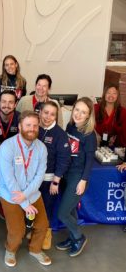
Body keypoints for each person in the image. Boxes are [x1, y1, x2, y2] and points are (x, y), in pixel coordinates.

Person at [0, 111, 51, 267]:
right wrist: (24, 203)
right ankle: (11, 250)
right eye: (28, 125)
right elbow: (9, 181)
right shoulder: (7, 147)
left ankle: (35, 249)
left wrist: (26, 197)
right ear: (20, 126)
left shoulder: (42, 148)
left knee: (42, 225)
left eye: (35, 125)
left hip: (31, 192)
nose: (32, 129)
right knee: (18, 230)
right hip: (10, 194)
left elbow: (40, 176)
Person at [56, 97, 97, 257]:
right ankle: (72, 236)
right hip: (67, 174)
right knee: (71, 209)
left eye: (84, 112)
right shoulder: (70, 126)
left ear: (88, 116)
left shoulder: (89, 135)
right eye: (77, 110)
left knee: (62, 213)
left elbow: (89, 161)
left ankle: (79, 237)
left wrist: (83, 181)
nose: (79, 114)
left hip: (78, 177)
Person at [38, 101, 71, 240]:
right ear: (40, 112)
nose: (48, 117)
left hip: (49, 181)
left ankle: (46, 236)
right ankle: (34, 233)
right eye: (46, 113)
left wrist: (56, 182)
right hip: (33, 179)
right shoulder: (35, 128)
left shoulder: (60, 134)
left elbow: (64, 160)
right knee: (34, 208)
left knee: (46, 209)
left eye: (52, 114)